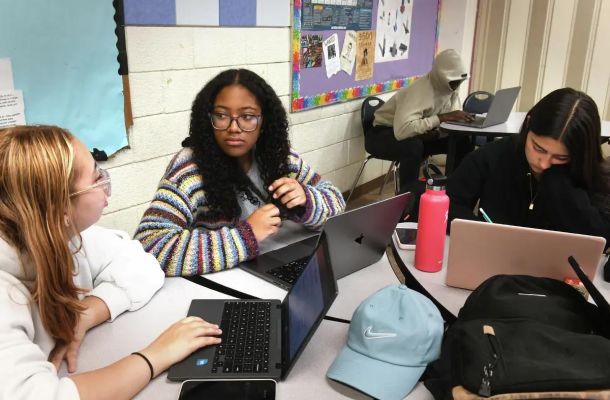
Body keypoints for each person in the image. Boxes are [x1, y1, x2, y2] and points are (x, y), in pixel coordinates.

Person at [0, 126, 222, 400]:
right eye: (97, 178)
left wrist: (84, 315)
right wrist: (155, 356)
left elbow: (142, 263)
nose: (106, 188)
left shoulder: (63, 237)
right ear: (61, 207)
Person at [135, 69, 345, 276]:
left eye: (247, 116)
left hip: (276, 265)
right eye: (221, 115)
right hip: (219, 283)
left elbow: (336, 202)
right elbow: (150, 244)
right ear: (208, 119)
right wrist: (246, 236)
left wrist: (308, 200)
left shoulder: (281, 159)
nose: (234, 127)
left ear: (264, 121)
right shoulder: (189, 169)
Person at [447, 88, 610, 246]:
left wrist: (559, 184)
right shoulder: (493, 155)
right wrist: (482, 232)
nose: (544, 164)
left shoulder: (591, 172)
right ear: (529, 123)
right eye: (538, 148)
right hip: (493, 256)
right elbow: (449, 204)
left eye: (561, 157)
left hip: (558, 268)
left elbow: (601, 237)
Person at [368, 49, 475, 196]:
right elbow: (402, 131)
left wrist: (445, 126)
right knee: (413, 146)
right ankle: (407, 199)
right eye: (454, 82)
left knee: (461, 141)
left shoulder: (449, 88)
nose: (456, 86)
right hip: (382, 133)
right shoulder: (419, 91)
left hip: (414, 134)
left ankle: (455, 191)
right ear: (442, 76)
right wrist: (442, 118)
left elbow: (443, 117)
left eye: (459, 82)